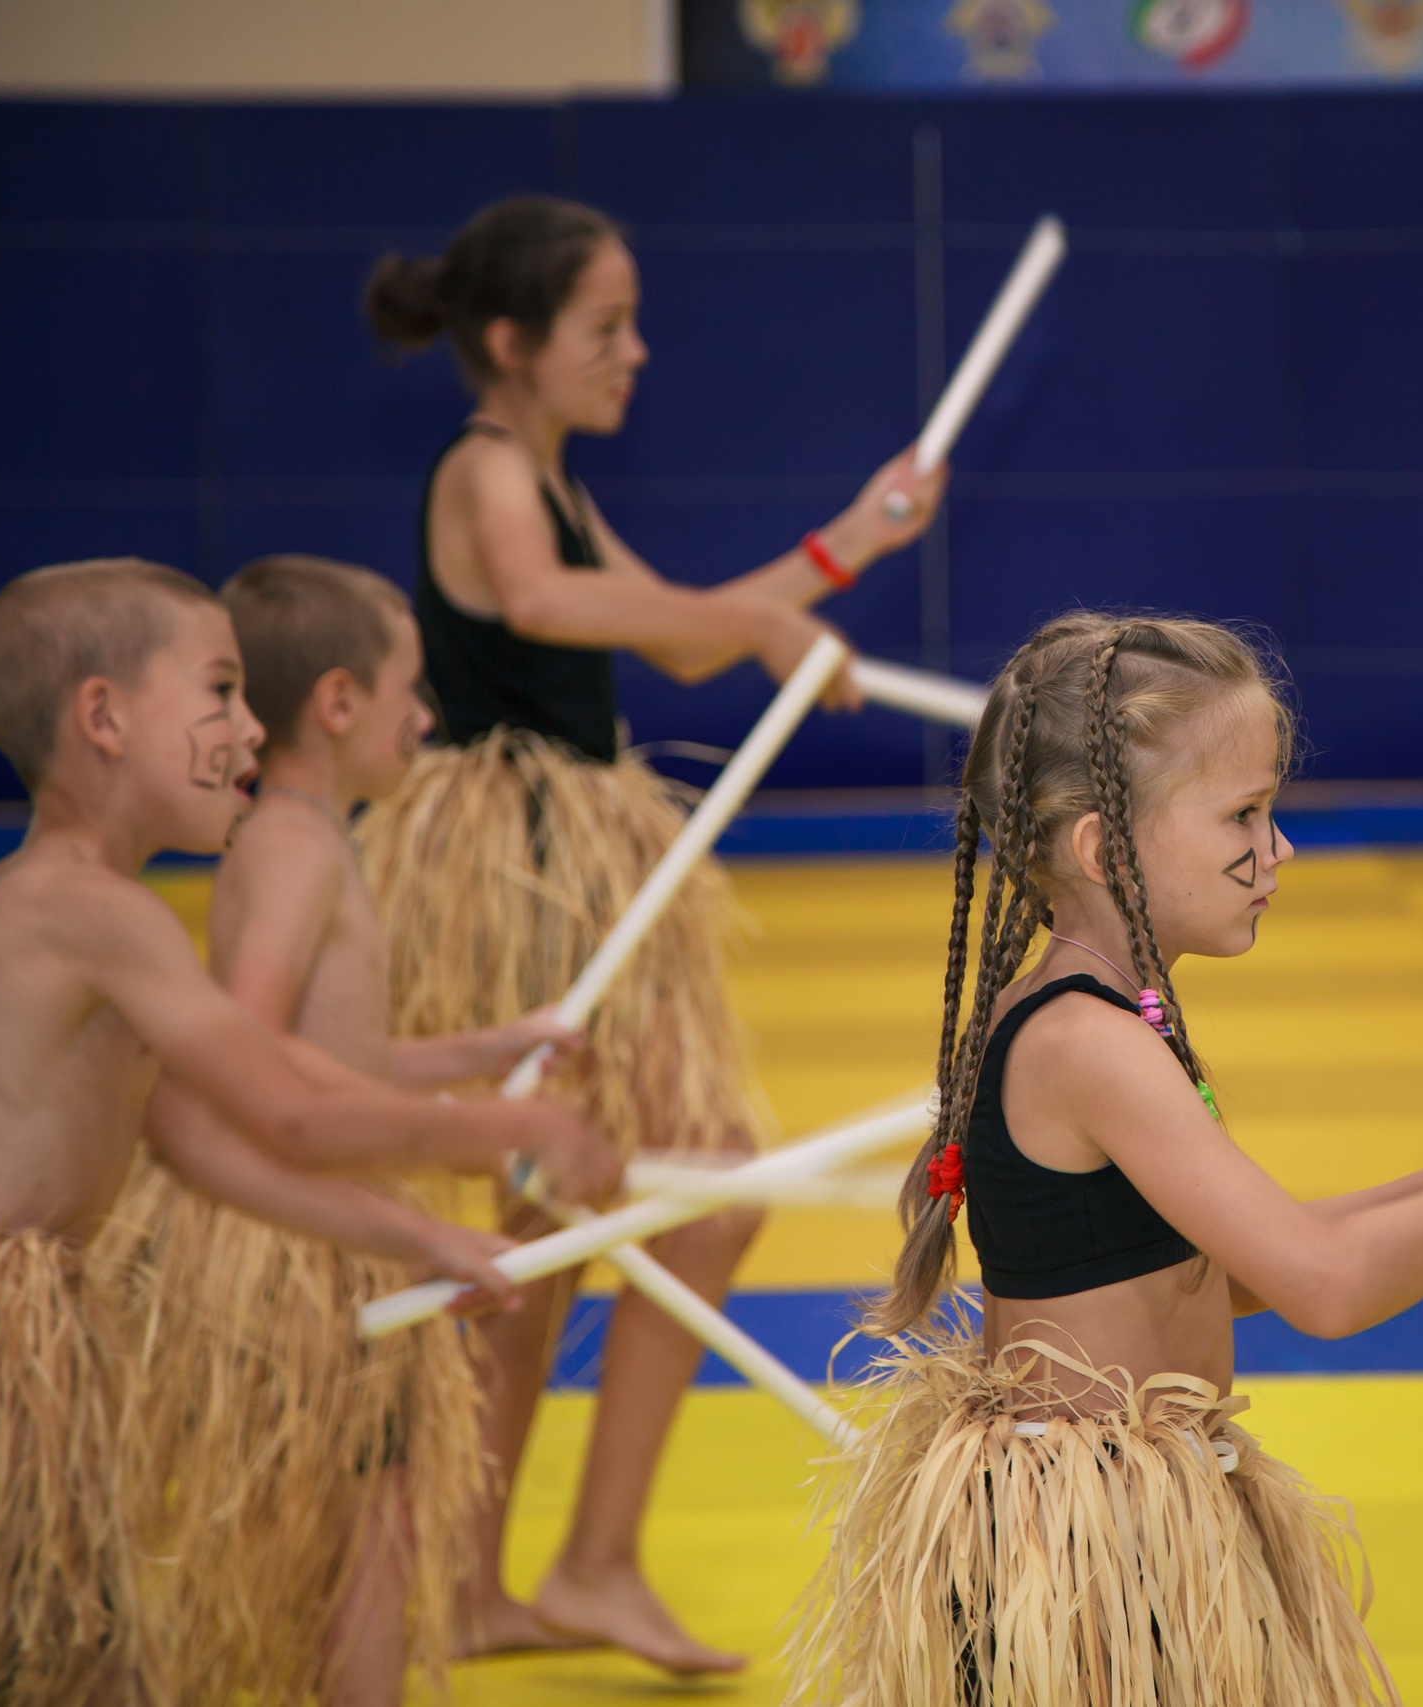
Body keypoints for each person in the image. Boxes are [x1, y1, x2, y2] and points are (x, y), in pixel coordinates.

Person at [781, 613, 1423, 1705]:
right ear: (1104, 848)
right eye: (1244, 814)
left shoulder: (1107, 1017)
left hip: (1130, 1522)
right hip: (1090, 1565)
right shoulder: (1088, 1044)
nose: (1277, 847)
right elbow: (1323, 1288)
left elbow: (1232, 1266)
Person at [356, 194, 947, 1673]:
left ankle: (511, 1576)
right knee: (637, 1200)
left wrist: (847, 542)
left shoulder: (544, 472)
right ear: (512, 343)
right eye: (604, 328)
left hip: (570, 860)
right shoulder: (489, 469)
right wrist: (758, 626)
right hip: (516, 867)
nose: (637, 352)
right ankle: (572, 1561)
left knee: (566, 1220)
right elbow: (554, 600)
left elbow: (681, 629)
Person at [0, 559, 616, 1707]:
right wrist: (514, 1125)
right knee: (56, 1665)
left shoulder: (87, 909)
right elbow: (289, 1106)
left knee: (84, 1667)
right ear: (102, 718)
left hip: (23, 1350)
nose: (251, 728)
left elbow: (195, 1143)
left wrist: (413, 1235)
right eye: (218, 694)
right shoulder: (87, 912)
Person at [97, 556, 584, 1706]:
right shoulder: (295, 847)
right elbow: (253, 1051)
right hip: (294, 1250)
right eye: (411, 691)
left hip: (314, 1226)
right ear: (337, 703)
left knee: (377, 1514)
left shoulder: (312, 838)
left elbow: (326, 1056)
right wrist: (468, 1127)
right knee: (368, 1527)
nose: (427, 717)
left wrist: (476, 1051)